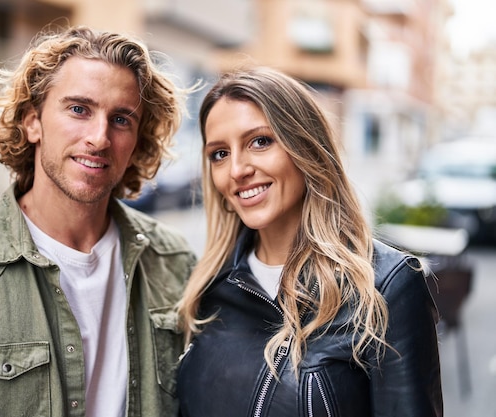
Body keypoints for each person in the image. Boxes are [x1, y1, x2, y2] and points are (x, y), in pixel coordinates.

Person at [0, 25, 196, 417]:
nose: (99, 137)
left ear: (137, 139)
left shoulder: (175, 263)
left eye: (121, 119)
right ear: (32, 121)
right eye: (79, 109)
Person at [176, 67, 443, 417]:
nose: (237, 169)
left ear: (306, 148)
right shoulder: (209, 288)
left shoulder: (385, 287)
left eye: (260, 141)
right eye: (220, 154)